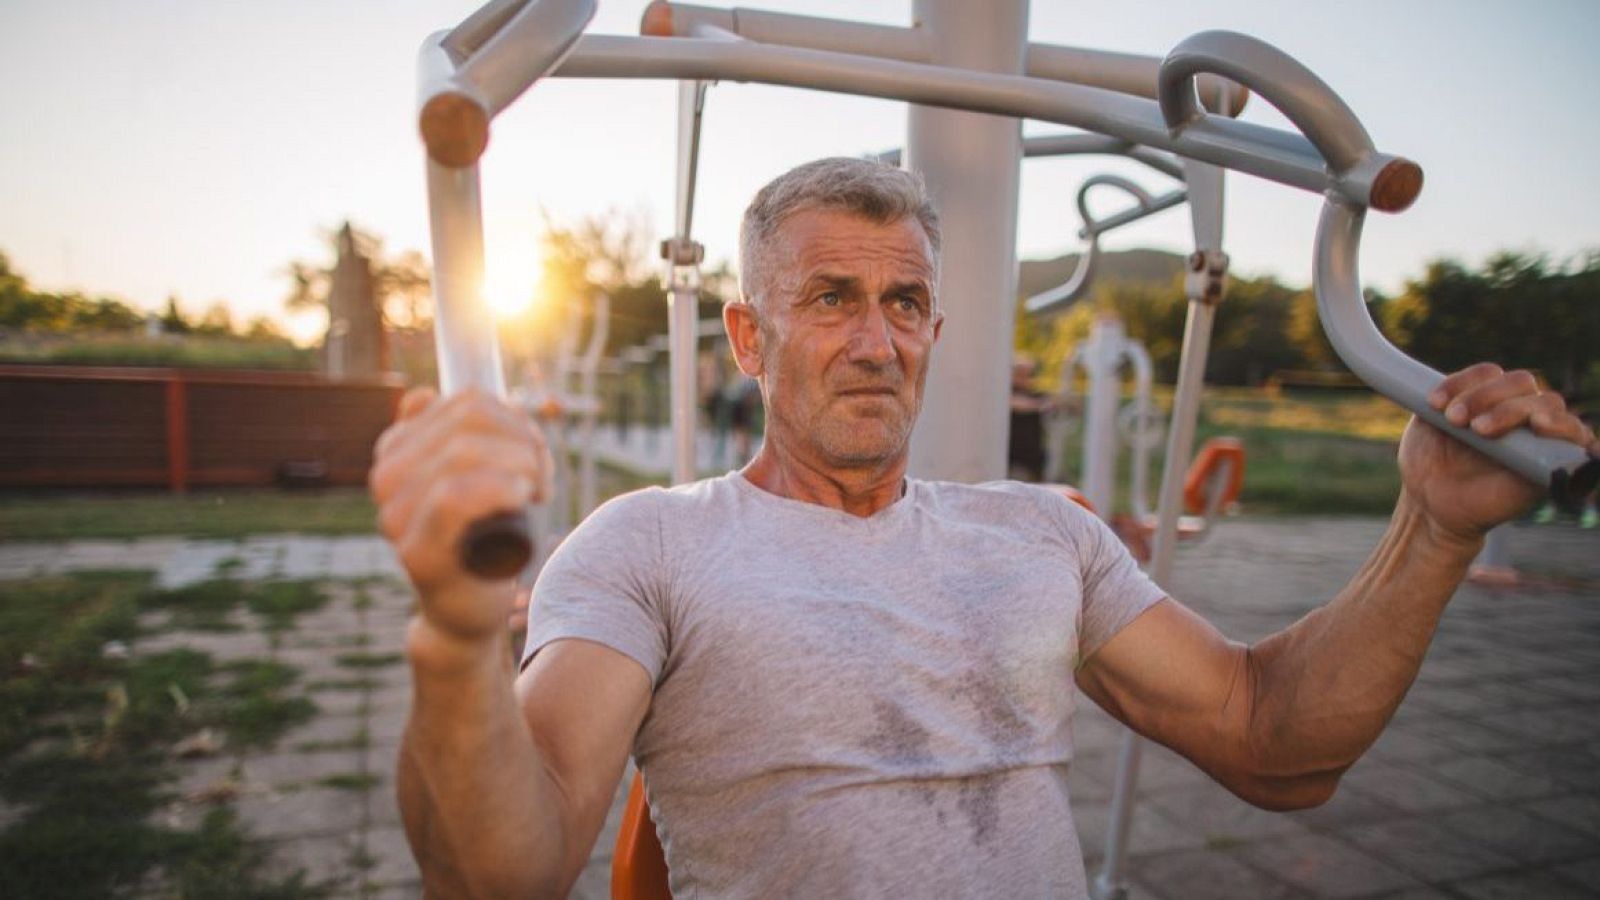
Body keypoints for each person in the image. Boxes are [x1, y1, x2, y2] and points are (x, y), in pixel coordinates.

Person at [369, 157, 1598, 898]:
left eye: (905, 303)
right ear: (748, 336)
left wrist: (1431, 529)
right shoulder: (648, 545)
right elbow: (504, 875)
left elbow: (1275, 743)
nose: (876, 340)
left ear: (936, 331)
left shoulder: (1039, 534)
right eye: (831, 299)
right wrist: (455, 638)